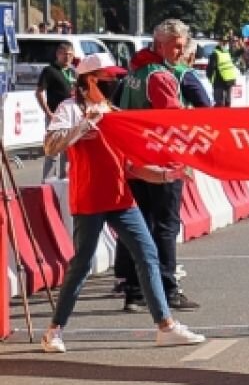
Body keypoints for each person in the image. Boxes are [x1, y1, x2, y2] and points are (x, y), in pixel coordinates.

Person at [39, 53, 205, 354]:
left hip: (121, 199)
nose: (115, 81)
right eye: (109, 77)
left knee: (148, 254)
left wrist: (170, 173)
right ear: (91, 79)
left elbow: (132, 167)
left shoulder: (114, 112)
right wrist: (82, 128)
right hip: (89, 200)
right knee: (82, 266)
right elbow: (50, 145)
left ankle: (165, 325)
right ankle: (54, 331)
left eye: (116, 76)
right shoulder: (71, 109)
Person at [114, 19, 199, 313]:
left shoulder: (134, 71)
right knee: (165, 226)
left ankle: (134, 290)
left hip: (134, 160)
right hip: (162, 162)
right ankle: (168, 288)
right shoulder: (161, 77)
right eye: (175, 46)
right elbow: (173, 121)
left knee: (139, 226)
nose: (180, 51)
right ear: (159, 44)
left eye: (181, 46)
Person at [35, 41, 76, 181]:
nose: (68, 57)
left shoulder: (73, 71)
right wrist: (48, 113)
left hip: (71, 117)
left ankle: (64, 183)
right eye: (65, 54)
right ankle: (46, 184)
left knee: (68, 153)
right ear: (58, 54)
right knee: (53, 152)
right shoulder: (49, 71)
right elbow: (39, 92)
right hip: (56, 117)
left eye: (70, 54)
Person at [207, 37, 240, 107]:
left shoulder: (217, 53)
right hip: (228, 80)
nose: (225, 43)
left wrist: (210, 78)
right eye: (224, 41)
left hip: (220, 80)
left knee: (220, 102)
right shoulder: (226, 52)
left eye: (226, 42)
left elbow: (210, 68)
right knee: (227, 101)